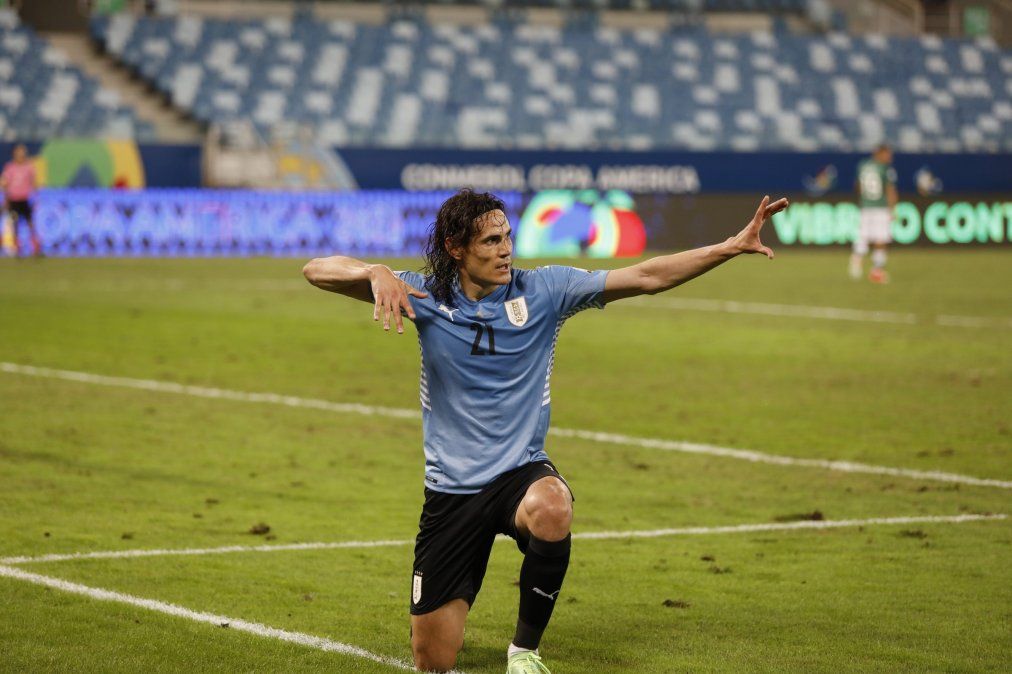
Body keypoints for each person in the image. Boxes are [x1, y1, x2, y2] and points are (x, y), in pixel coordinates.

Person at [302, 189, 788, 674]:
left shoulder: (546, 290)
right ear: (456, 248)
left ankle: (524, 650)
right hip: (452, 489)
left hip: (520, 473)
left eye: (507, 237)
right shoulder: (420, 295)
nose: (505, 250)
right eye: (491, 241)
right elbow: (315, 270)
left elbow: (646, 276)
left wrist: (728, 246)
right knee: (433, 661)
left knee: (554, 506)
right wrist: (373, 271)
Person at [850, 144, 897, 283]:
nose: (889, 158)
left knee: (863, 236)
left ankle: (856, 259)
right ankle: (876, 271)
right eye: (887, 154)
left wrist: (863, 199)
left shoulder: (863, 165)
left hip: (865, 206)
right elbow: (889, 189)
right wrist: (893, 209)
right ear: (880, 153)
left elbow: (857, 186)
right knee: (880, 239)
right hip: (880, 207)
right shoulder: (885, 168)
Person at [1, 144, 41, 258]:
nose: (21, 154)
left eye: (23, 152)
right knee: (15, 225)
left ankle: (36, 248)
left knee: (31, 224)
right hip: (14, 200)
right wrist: (6, 199)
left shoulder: (29, 167)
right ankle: (17, 249)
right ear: (14, 153)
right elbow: (5, 184)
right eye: (19, 152)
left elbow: (34, 183)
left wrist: (36, 198)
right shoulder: (10, 167)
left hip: (25, 199)